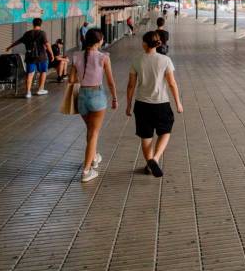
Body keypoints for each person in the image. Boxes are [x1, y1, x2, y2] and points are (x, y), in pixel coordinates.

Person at [126, 31, 183, 178]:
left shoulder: (137, 60)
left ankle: (150, 162)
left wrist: (128, 105)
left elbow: (130, 86)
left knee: (146, 136)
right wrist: (178, 103)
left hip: (141, 104)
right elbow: (172, 83)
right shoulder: (165, 60)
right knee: (165, 131)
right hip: (161, 104)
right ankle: (155, 159)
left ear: (144, 43)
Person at [70, 28, 118, 182]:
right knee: (94, 133)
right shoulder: (103, 57)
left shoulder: (76, 56)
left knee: (90, 131)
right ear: (99, 41)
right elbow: (110, 82)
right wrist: (115, 98)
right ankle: (86, 171)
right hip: (97, 96)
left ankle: (95, 157)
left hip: (82, 97)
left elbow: (71, 79)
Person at [6, 17, 54, 98]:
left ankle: (28, 92)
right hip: (41, 57)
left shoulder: (27, 33)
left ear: (33, 24)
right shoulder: (42, 33)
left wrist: (9, 47)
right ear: (40, 24)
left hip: (30, 57)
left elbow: (19, 41)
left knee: (30, 74)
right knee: (43, 72)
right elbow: (47, 44)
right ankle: (40, 89)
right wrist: (52, 54)